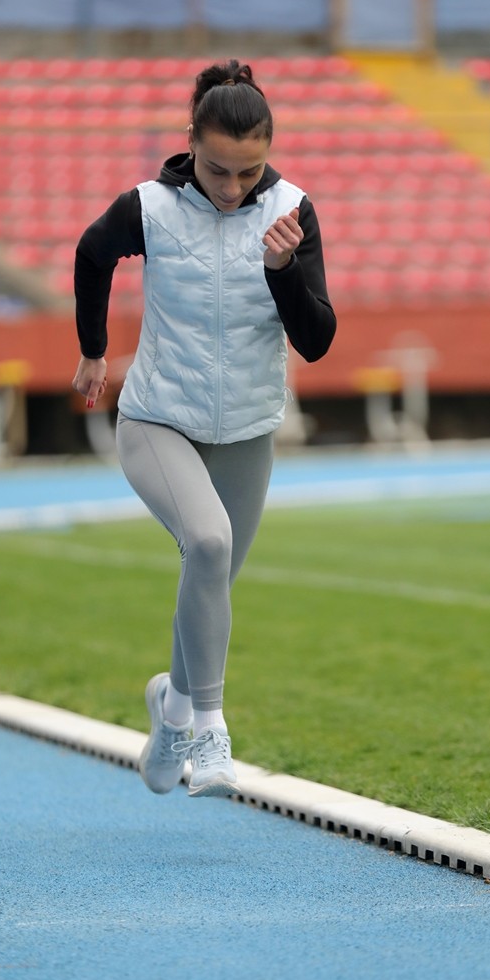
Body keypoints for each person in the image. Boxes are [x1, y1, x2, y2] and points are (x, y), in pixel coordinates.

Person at [72, 59, 336, 799]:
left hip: (248, 427)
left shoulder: (291, 209)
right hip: (158, 418)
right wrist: (94, 352)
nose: (232, 188)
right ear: (192, 142)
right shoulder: (148, 207)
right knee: (210, 541)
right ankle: (213, 730)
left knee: (211, 574)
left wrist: (284, 268)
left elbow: (316, 340)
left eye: (247, 173)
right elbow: (92, 256)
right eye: (219, 171)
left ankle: (173, 707)